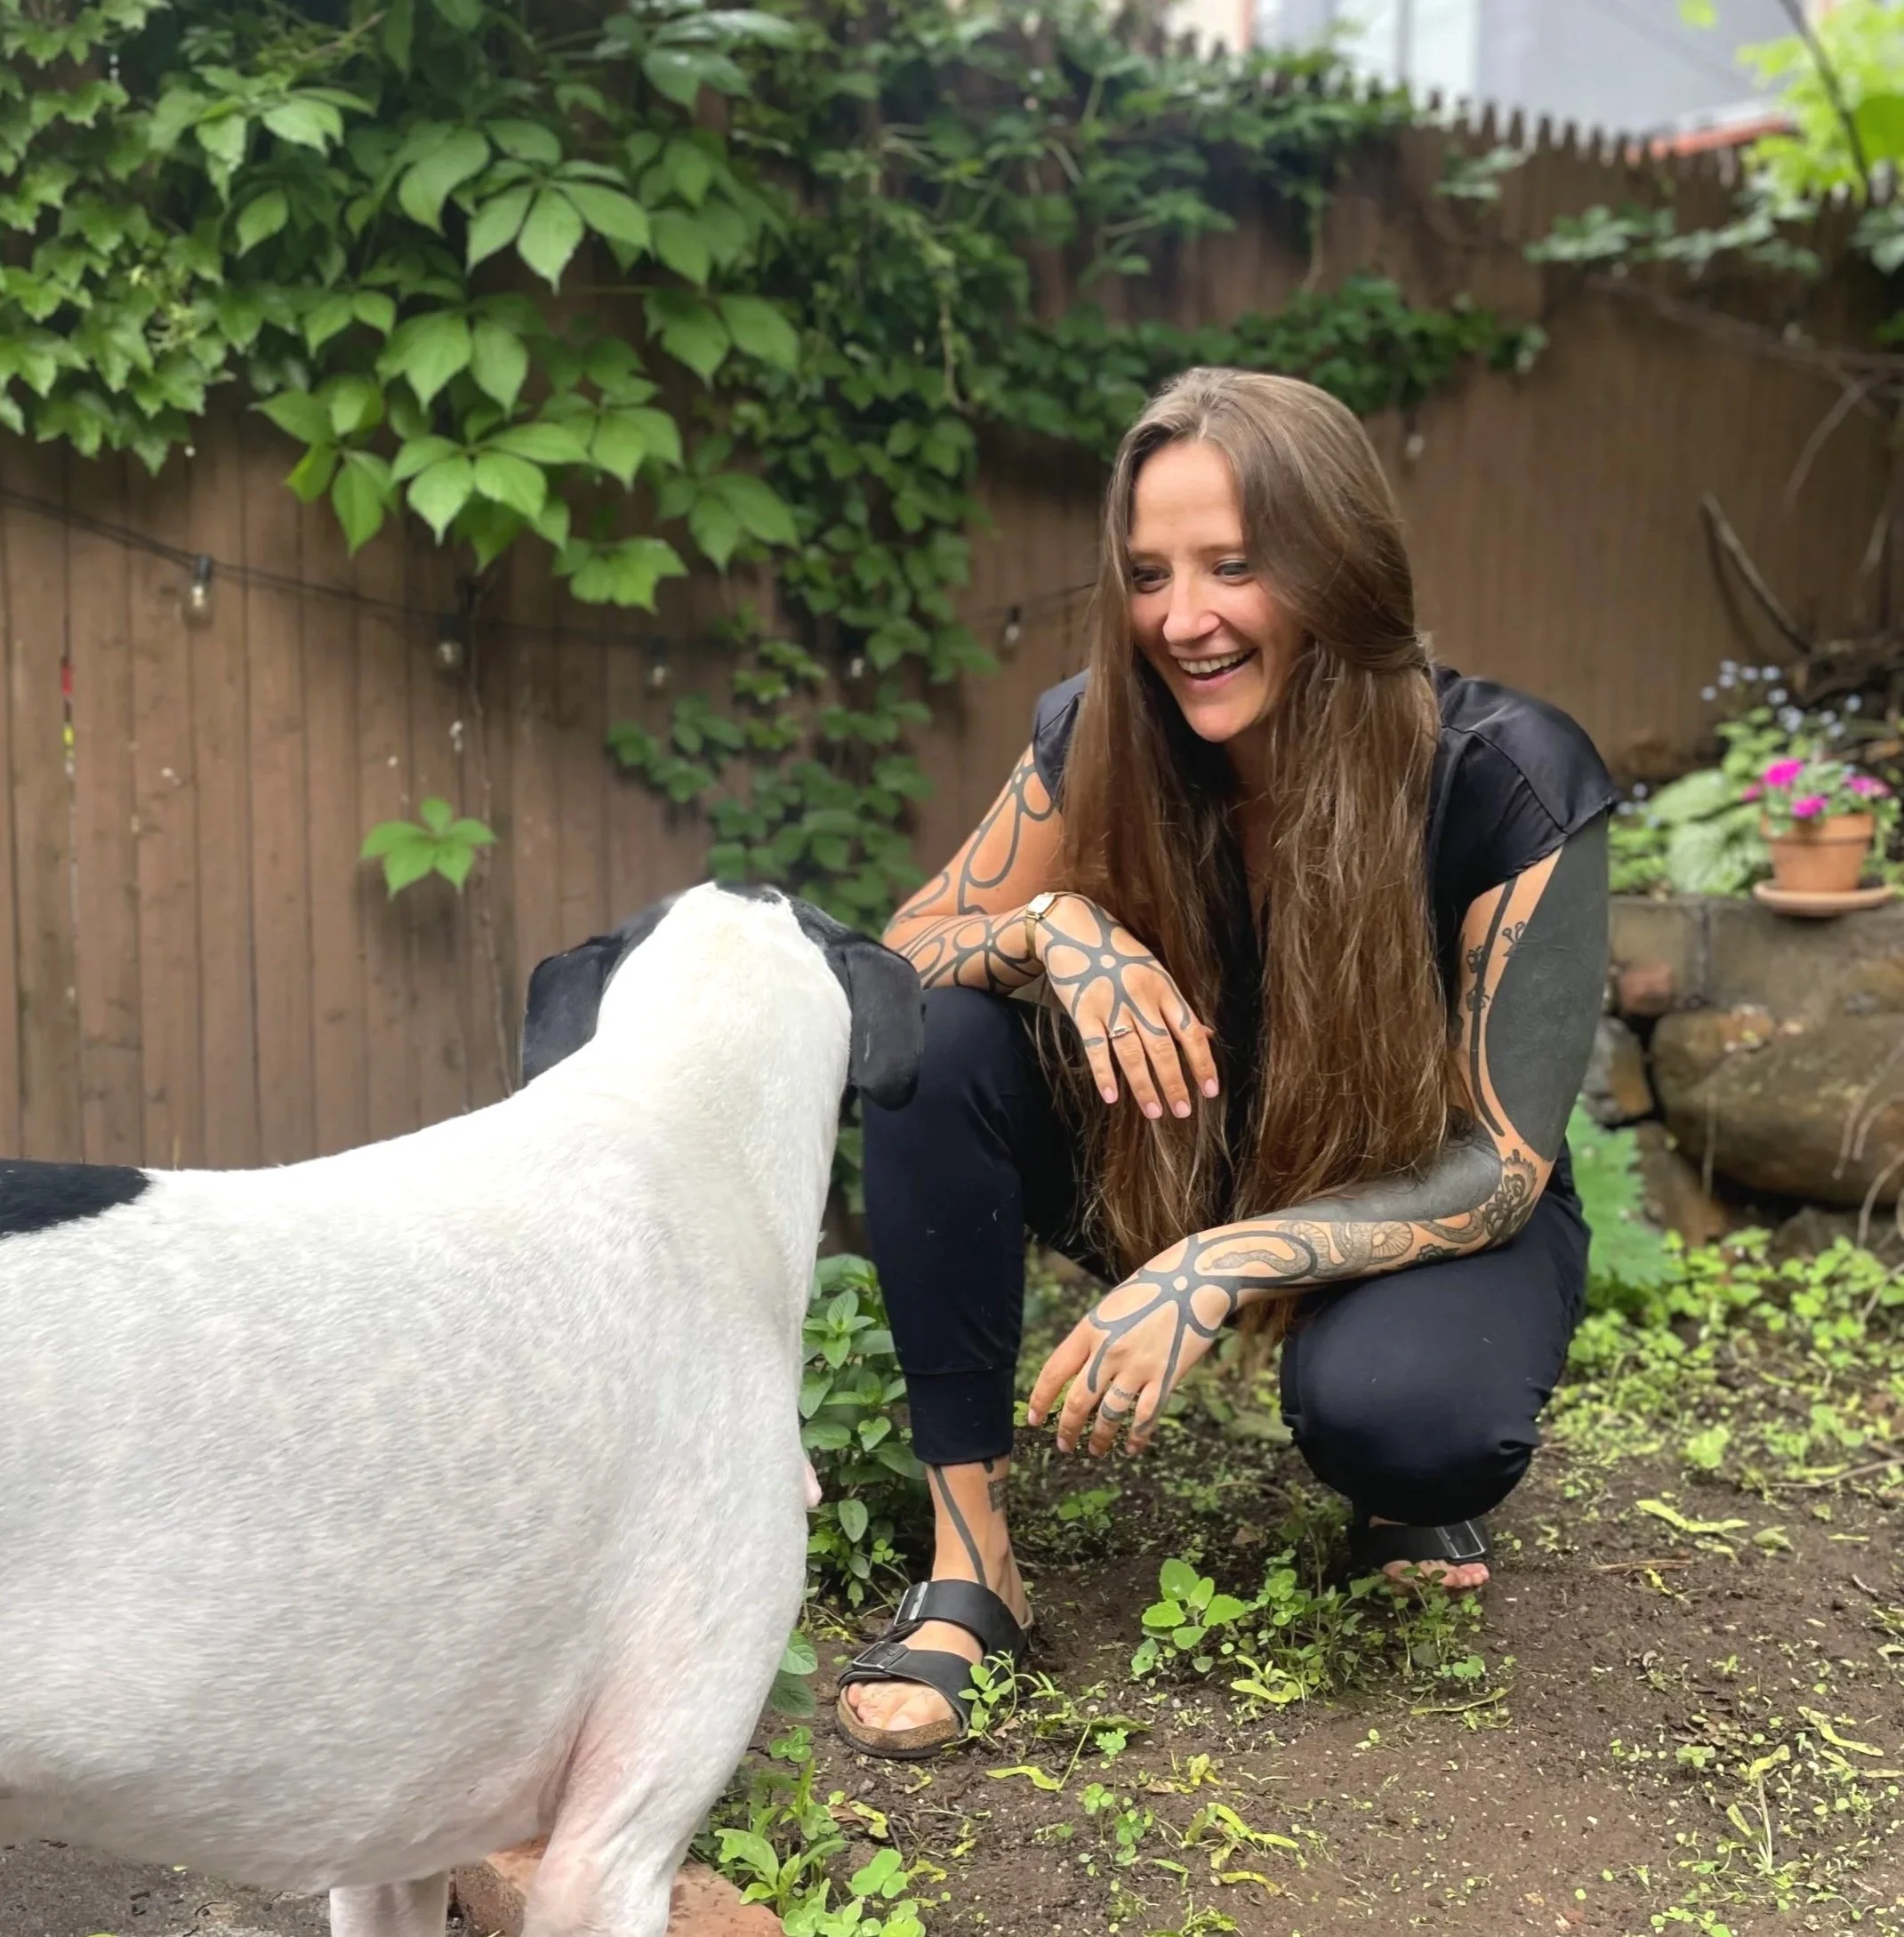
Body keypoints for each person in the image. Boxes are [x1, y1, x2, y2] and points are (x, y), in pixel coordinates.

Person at [834, 367, 1616, 1760]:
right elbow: (898, 965)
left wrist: (1220, 1262)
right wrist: (1049, 926)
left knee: (1406, 1416)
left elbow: (1503, 1163)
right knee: (943, 1035)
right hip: (1175, 1149)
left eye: (1233, 566)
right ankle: (973, 1567)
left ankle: (1394, 1488)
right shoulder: (1099, 734)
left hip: (1410, 1207)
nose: (1181, 619)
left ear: (1335, 564)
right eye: (1147, 572)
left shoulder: (1508, 777)